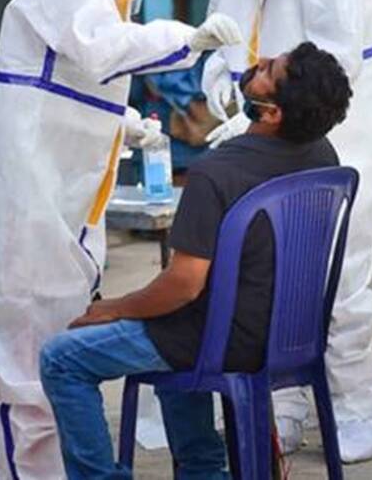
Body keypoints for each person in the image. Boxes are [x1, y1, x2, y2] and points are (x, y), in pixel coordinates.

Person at [0, 0, 243, 480]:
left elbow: (57, 90)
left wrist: (122, 123)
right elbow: (101, 51)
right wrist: (189, 38)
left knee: (57, 346)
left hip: (66, 206)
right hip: (29, 207)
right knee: (25, 362)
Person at [39, 42, 352, 479]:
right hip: (290, 333)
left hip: (222, 340)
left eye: (268, 71)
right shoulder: (322, 154)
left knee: (62, 359)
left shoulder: (215, 172)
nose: (258, 63)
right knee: (169, 327)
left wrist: (115, 307)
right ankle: (203, 472)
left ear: (272, 112)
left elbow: (183, 285)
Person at [199, 0, 372, 462]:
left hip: (335, 144)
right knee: (270, 274)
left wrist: (259, 110)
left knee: (339, 275)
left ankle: (354, 409)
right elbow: (219, 44)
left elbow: (333, 77)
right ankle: (283, 406)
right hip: (261, 143)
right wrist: (222, 87)